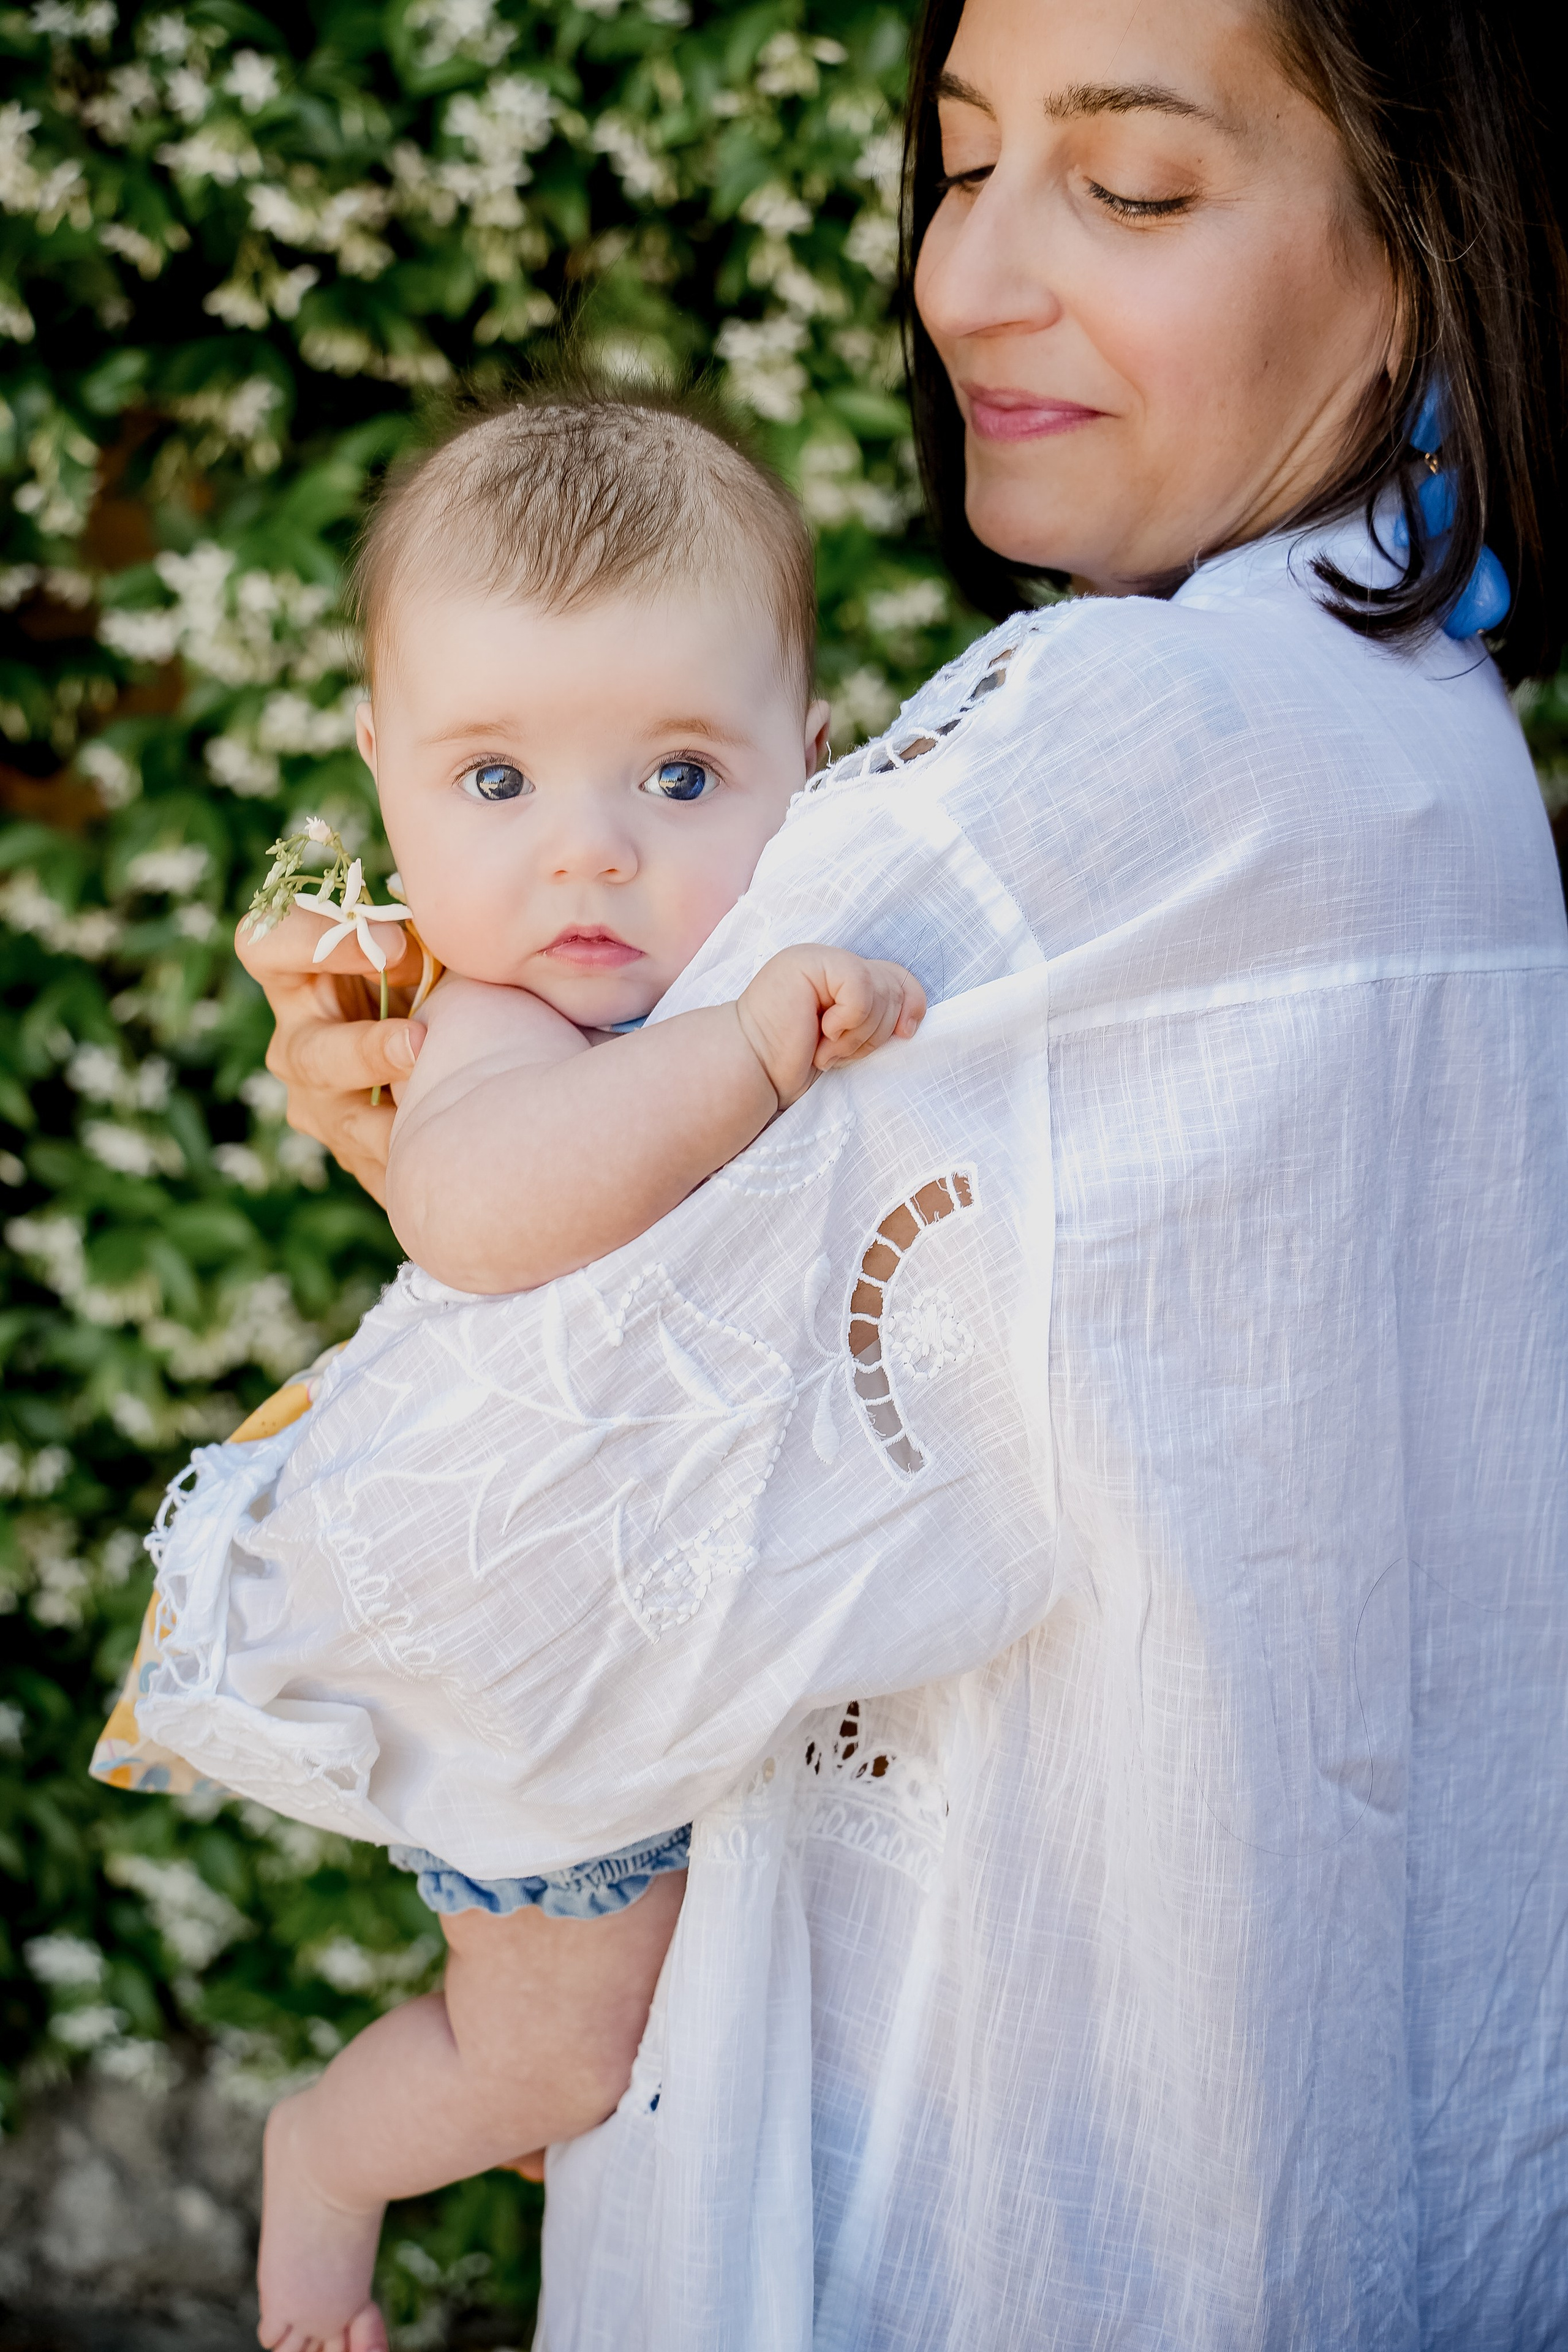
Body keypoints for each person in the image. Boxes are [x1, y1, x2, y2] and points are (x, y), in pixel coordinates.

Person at [229, 0, 1568, 2343]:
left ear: (1428, 254)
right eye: (960, 163)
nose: (962, 282)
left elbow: (499, 1504)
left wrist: (473, 1232)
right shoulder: (1427, 747)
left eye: (1133, 187)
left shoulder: (1122, 756)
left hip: (975, 2191)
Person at [94, 389, 924, 2352]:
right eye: (496, 784)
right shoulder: (500, 1026)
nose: (591, 862)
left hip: (657, 1641)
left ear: (815, 768)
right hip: (541, 1680)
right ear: (379, 774)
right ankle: (326, 2176)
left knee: (631, 2052)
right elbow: (476, 1210)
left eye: (681, 779)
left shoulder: (723, 978)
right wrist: (746, 1062)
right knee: (552, 2067)